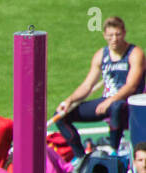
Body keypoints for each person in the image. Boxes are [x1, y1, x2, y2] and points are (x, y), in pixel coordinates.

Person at [54, 17, 145, 157]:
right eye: (110, 35)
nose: (114, 39)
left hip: (127, 103)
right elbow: (87, 85)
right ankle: (80, 156)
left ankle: (115, 149)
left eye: (118, 34)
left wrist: (110, 101)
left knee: (116, 106)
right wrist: (69, 101)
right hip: (106, 102)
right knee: (60, 116)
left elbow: (131, 86)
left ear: (124, 33)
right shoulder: (101, 55)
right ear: (104, 36)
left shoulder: (135, 53)